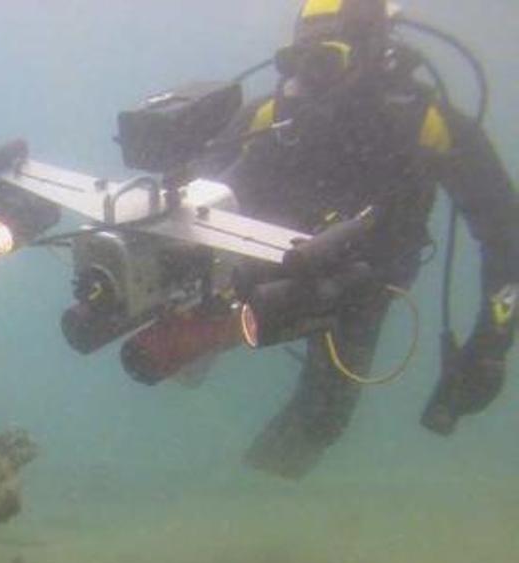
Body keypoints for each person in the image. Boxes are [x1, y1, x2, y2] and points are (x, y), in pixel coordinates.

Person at [205, 0, 519, 479]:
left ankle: (247, 503)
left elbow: (504, 230)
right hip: (256, 266)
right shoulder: (271, 114)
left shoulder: (421, 121)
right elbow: (186, 201)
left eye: (331, 54)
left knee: (324, 418)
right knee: (173, 342)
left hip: (362, 286)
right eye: (303, 55)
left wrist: (491, 343)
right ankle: (223, 497)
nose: (315, 73)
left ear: (377, 50)